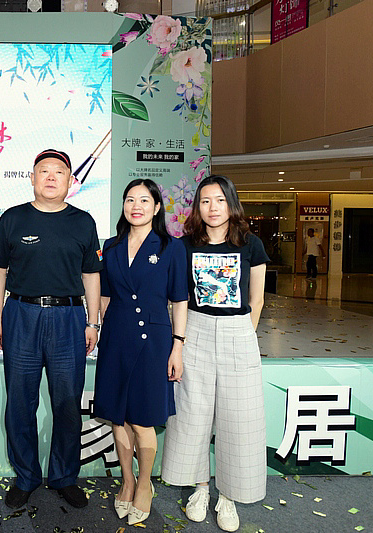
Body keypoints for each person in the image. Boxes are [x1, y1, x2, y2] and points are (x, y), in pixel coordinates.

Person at [0, 148, 102, 510]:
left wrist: (93, 321)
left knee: (67, 402)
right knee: (20, 402)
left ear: (70, 181)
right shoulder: (13, 218)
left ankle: (64, 476)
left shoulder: (83, 221)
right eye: (44, 171)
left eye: (59, 172)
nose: (51, 177)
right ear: (32, 178)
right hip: (21, 314)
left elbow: (91, 275)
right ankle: (25, 477)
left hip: (69, 318)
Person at [161, 175, 269, 533]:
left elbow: (257, 299)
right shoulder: (184, 246)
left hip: (239, 331)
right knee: (192, 414)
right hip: (195, 330)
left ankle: (229, 496)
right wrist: (179, 341)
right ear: (197, 207)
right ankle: (201, 488)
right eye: (205, 201)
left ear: (231, 203)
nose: (212, 207)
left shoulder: (251, 244)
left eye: (220, 200)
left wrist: (243, 334)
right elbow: (178, 297)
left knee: (238, 417)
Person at [93, 178, 188, 525]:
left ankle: (145, 483)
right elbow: (105, 295)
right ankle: (127, 480)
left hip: (154, 341)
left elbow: (179, 300)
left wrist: (177, 346)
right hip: (116, 338)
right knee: (118, 415)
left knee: (143, 418)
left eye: (144, 200)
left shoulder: (171, 247)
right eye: (130, 199)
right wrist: (99, 328)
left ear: (157, 207)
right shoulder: (111, 245)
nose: (136, 206)